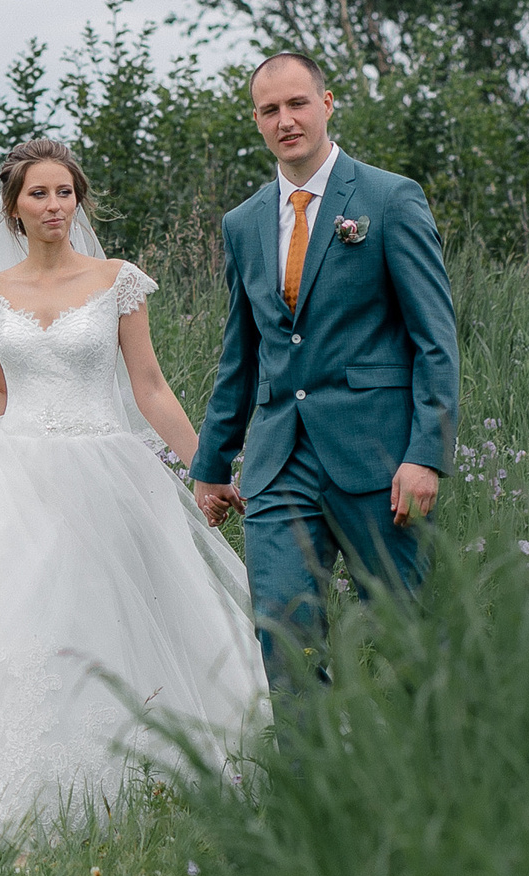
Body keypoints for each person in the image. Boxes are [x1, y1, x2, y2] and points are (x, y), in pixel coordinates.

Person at [0, 139, 267, 844]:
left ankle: (135, 787)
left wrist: (206, 466)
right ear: (14, 209)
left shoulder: (117, 281)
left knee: (109, 620)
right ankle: (13, 798)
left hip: (102, 469)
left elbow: (149, 387)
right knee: (17, 627)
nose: (54, 205)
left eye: (65, 192)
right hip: (12, 475)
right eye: (39, 194)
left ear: (78, 201)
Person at [188, 53, 460, 685]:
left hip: (380, 459)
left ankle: (430, 747)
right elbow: (242, 352)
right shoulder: (243, 223)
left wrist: (426, 454)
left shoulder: (389, 199)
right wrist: (212, 464)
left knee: (407, 637)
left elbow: (436, 339)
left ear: (327, 103)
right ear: (257, 120)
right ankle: (306, 753)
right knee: (285, 636)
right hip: (279, 461)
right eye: (270, 110)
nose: (285, 120)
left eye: (297, 104)